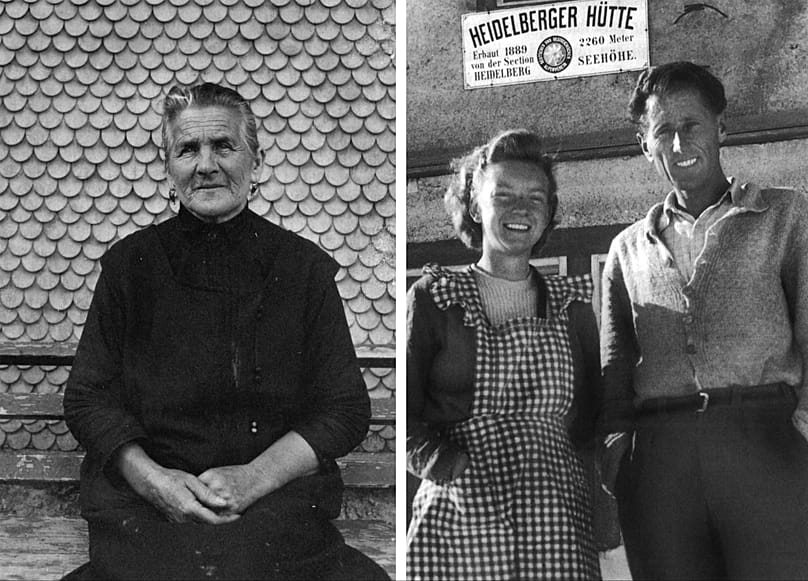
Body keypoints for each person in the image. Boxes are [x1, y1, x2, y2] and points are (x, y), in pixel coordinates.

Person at [62, 82, 389, 580]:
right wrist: (156, 484)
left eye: (224, 146)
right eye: (188, 149)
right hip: (148, 509)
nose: (206, 164)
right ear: (168, 167)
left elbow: (344, 408)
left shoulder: (301, 270)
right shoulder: (131, 267)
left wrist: (253, 479)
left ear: (254, 159)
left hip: (273, 510)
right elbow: (88, 398)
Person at [599, 61, 808, 580]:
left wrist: (799, 436)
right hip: (661, 463)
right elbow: (615, 365)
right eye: (662, 131)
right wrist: (621, 457)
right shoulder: (627, 249)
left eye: (691, 124)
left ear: (721, 127)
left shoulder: (787, 217)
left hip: (768, 444)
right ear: (644, 144)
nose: (678, 143)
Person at [406, 129, 602, 580]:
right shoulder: (436, 297)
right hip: (460, 516)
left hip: (556, 517)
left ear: (549, 212)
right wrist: (446, 465)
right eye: (504, 194)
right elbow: (407, 416)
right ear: (476, 205)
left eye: (536, 197)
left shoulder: (572, 307)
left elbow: (594, 420)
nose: (521, 209)